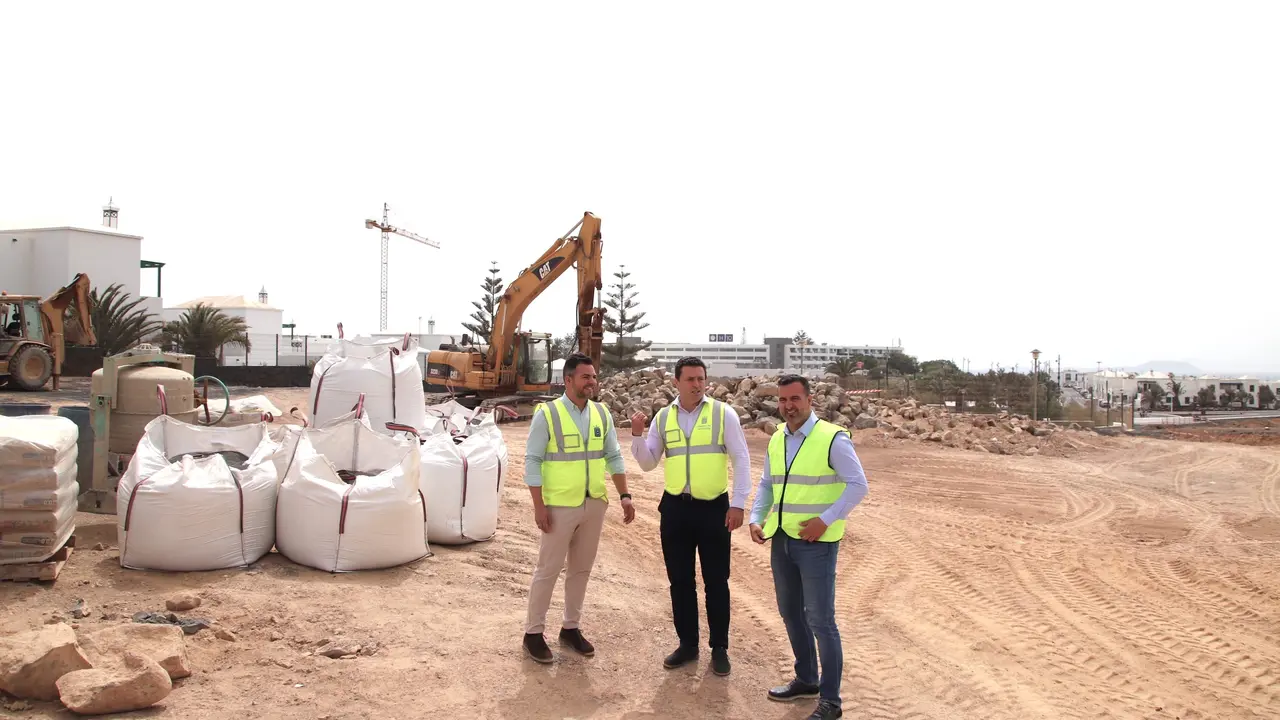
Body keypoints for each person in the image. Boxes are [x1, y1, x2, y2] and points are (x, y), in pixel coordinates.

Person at [748, 374, 869, 720]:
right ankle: (806, 679)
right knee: (790, 613)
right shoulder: (776, 439)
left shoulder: (832, 438)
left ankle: (831, 701)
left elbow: (858, 486)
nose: (788, 406)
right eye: (783, 400)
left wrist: (825, 520)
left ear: (809, 400)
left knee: (821, 620)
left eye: (794, 399)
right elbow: (767, 484)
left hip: (817, 545)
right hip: (782, 539)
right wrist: (758, 517)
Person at [629, 356, 751, 677]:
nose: (697, 384)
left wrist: (738, 503)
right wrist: (637, 437)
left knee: (716, 581)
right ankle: (688, 644)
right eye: (691, 379)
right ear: (676, 382)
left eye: (701, 379)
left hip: (714, 508)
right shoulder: (663, 418)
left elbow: (741, 459)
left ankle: (720, 648)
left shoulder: (724, 414)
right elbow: (648, 463)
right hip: (675, 509)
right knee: (680, 581)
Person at [522, 352, 635, 664]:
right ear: (568, 380)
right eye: (586, 377)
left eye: (594, 377)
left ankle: (570, 628)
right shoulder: (548, 414)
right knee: (548, 570)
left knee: (581, 570)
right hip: (558, 506)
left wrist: (625, 495)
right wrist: (538, 506)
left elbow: (613, 456)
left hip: (593, 504)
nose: (592, 382)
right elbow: (532, 460)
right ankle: (533, 633)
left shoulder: (601, 414)